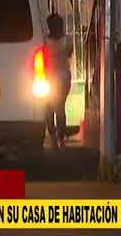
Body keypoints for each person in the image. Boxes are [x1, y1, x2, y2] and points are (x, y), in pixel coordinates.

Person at [45, 13, 72, 149]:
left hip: (49, 78)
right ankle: (60, 137)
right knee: (60, 107)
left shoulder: (45, 42)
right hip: (64, 78)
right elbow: (69, 53)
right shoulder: (67, 40)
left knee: (49, 107)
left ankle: (53, 135)